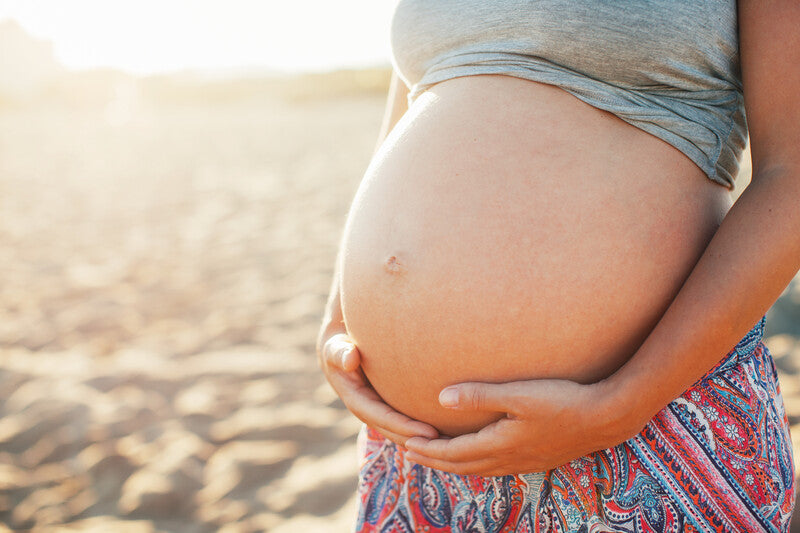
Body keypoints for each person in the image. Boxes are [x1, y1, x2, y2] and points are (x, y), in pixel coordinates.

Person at [317, 0, 799, 531]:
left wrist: (619, 405)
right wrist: (338, 320)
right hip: (419, 454)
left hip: (645, 421)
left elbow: (791, 173)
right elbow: (415, 102)